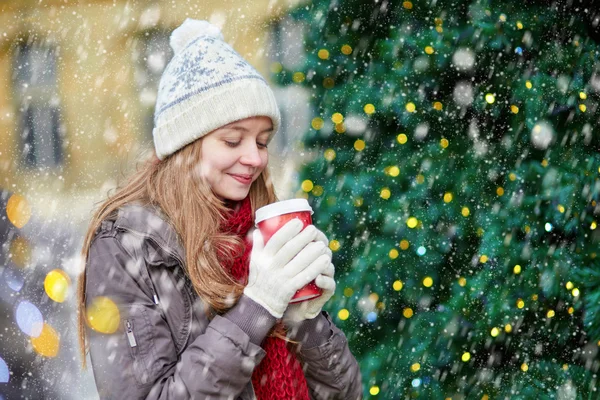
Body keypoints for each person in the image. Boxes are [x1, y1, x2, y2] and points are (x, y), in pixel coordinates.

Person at [77, 19, 362, 400]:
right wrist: (256, 308)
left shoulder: (263, 225)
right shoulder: (129, 244)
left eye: (262, 142)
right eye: (232, 140)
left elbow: (345, 394)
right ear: (186, 146)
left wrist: (305, 318)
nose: (254, 158)